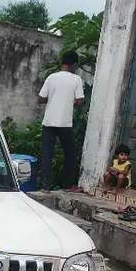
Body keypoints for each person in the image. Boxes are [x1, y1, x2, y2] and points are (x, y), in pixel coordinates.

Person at [38, 51, 85, 191]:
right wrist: (71, 101)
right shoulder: (76, 79)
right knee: (70, 154)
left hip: (48, 122)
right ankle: (67, 185)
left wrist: (53, 98)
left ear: (62, 62)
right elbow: (80, 101)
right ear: (74, 64)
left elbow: (40, 98)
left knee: (47, 154)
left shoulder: (51, 77)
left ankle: (46, 186)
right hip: (65, 123)